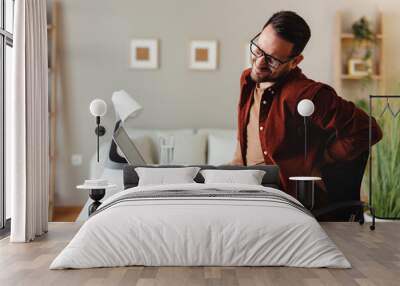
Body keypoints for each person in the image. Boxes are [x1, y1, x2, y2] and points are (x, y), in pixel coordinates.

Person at [231, 11, 382, 209]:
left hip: (287, 203)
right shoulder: (248, 80)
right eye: (258, 49)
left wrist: (325, 158)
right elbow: (246, 141)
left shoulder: (308, 94)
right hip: (249, 192)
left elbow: (368, 129)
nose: (259, 63)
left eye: (273, 60)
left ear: (295, 61)